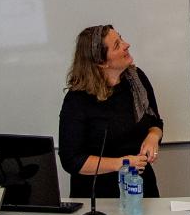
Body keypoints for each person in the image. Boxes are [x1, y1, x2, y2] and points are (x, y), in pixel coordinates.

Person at [58, 24, 165, 198]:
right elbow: (71, 160)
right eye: (117, 45)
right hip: (97, 196)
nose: (126, 45)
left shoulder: (137, 80)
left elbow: (155, 121)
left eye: (121, 38)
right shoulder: (77, 99)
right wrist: (121, 163)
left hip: (140, 188)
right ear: (101, 62)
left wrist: (153, 136)